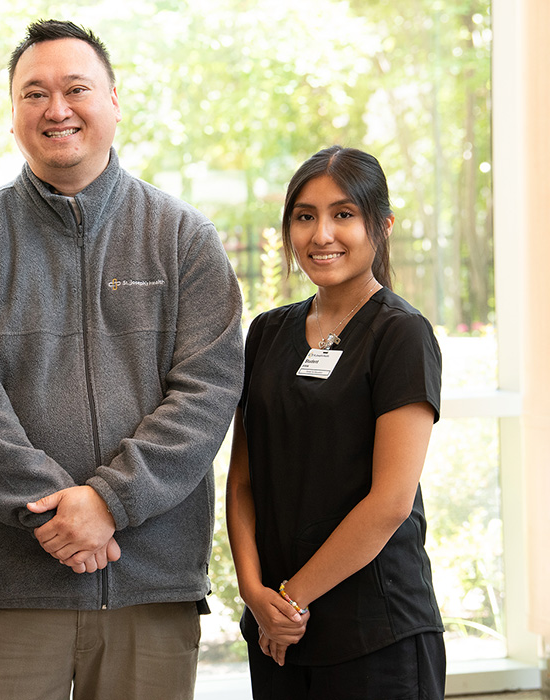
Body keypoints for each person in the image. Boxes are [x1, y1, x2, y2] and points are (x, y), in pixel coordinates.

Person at [0, 19, 244, 700]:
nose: (56, 109)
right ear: (12, 118)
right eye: (34, 94)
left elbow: (206, 394)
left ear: (114, 102)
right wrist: (59, 518)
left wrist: (109, 503)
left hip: (149, 586)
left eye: (75, 88)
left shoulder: (184, 239)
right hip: (10, 590)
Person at [226, 145, 446, 699]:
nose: (321, 234)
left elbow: (390, 502)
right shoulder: (267, 334)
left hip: (376, 629)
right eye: (305, 216)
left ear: (382, 225)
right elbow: (244, 480)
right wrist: (254, 593)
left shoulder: (400, 334)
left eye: (343, 214)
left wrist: (293, 598)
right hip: (280, 632)